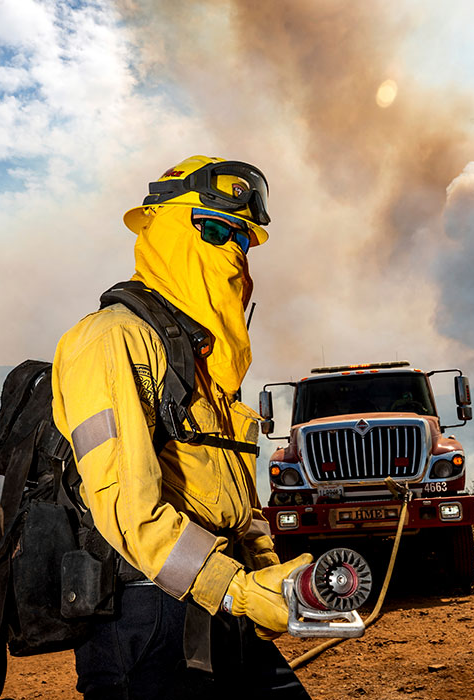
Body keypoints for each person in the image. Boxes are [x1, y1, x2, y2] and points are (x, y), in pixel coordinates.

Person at [51, 156, 312, 699]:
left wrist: (267, 575)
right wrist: (237, 589)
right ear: (165, 232)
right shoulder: (111, 340)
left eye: (241, 239)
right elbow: (128, 507)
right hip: (144, 618)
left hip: (220, 596)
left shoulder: (206, 363)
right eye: (215, 229)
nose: (234, 254)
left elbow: (237, 495)